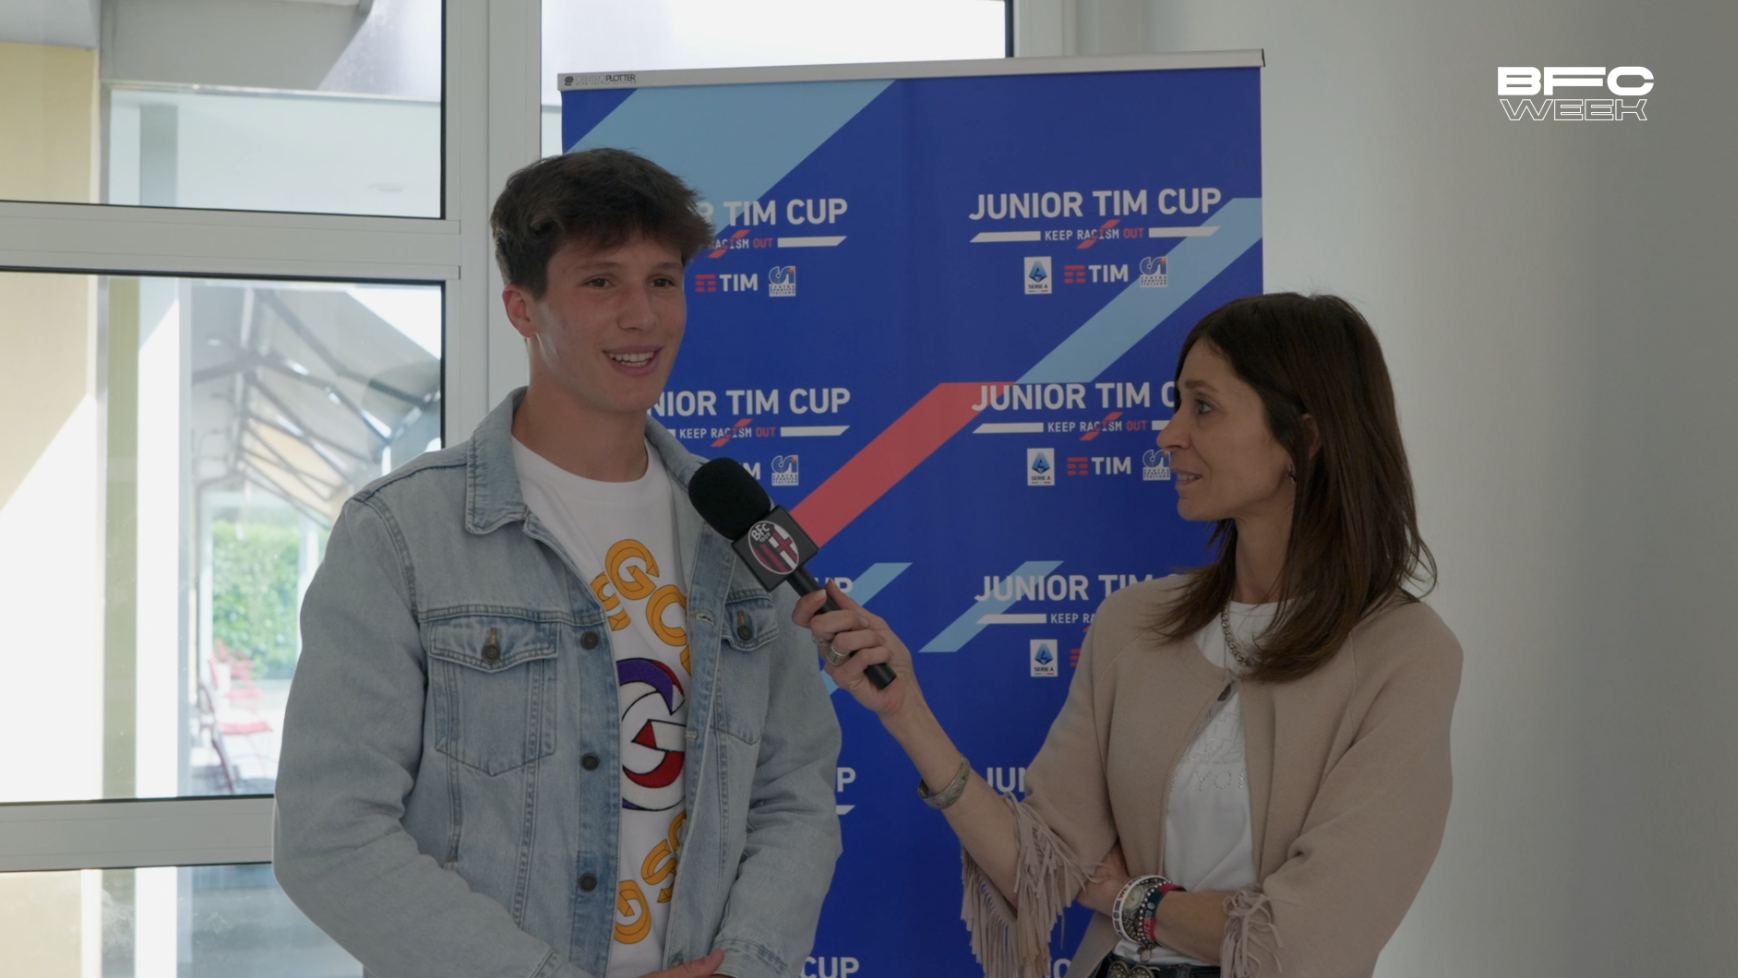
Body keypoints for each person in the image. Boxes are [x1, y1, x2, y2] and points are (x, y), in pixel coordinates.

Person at [274, 148, 843, 978]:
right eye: (601, 282)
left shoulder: (738, 529)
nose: (642, 316)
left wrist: (748, 963)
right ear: (522, 307)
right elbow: (329, 835)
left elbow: (795, 791)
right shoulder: (401, 533)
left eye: (662, 280)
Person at [799, 293, 1461, 978]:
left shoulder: (1405, 655)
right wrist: (905, 710)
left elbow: (1301, 944)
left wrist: (1127, 898)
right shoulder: (1134, 623)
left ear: (1307, 437)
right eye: (1177, 404)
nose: (1169, 434)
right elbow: (1041, 869)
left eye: (1203, 407)